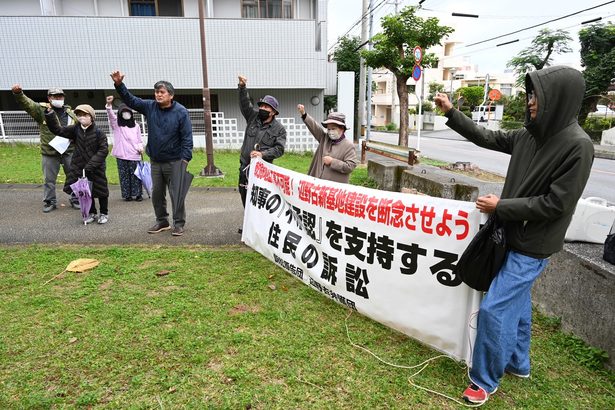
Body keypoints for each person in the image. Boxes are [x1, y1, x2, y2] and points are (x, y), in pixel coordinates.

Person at [434, 65, 594, 405]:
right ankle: (519, 363)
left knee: (494, 309)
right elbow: (488, 137)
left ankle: (483, 379)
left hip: (533, 245)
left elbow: (557, 204)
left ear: (559, 100)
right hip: (509, 234)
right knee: (517, 303)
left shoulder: (578, 146)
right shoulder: (529, 135)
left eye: (538, 96)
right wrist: (452, 113)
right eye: (530, 95)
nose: (531, 102)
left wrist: (501, 206)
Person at [110, 70, 193, 237]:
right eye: (156, 92)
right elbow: (131, 100)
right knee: (156, 194)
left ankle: (178, 223)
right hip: (156, 160)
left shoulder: (181, 111)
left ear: (171, 95)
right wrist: (119, 85)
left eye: (162, 92)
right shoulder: (150, 107)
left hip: (176, 160)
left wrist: (185, 159)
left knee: (176, 194)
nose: (158, 95)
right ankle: (162, 220)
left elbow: (186, 137)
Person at [11, 84, 80, 212]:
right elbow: (28, 104)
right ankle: (50, 201)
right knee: (49, 180)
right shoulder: (41, 111)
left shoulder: (71, 114)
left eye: (60, 96)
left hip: (69, 151)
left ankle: (76, 198)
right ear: (49, 98)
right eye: (55, 96)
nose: (58, 98)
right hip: (49, 152)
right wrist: (18, 94)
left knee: (74, 176)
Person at [45, 104, 110, 225]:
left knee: (101, 192)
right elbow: (58, 130)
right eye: (79, 115)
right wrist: (50, 115)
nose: (82, 117)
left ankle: (104, 213)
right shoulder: (75, 129)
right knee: (86, 192)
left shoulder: (99, 133)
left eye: (85, 115)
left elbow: (103, 150)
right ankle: (91, 213)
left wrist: (91, 165)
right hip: (80, 167)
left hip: (97, 168)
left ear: (91, 117)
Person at [237, 75, 286, 208]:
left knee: (260, 199)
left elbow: (279, 149)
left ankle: (261, 227)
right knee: (245, 195)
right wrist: (242, 87)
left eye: (267, 107)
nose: (263, 109)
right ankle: (248, 227)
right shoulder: (252, 117)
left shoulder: (279, 129)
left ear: (274, 112)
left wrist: (262, 154)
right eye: (262, 106)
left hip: (263, 171)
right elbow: (245, 104)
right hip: (245, 166)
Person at [297, 105, 357, 183]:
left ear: (342, 129)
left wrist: (332, 162)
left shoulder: (348, 146)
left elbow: (350, 166)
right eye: (328, 129)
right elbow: (314, 126)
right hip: (315, 182)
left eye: (333, 129)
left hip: (333, 188)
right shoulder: (324, 138)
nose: (330, 131)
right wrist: (303, 113)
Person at [105, 95, 144, 202]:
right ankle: (127, 195)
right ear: (120, 114)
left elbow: (139, 140)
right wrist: (109, 105)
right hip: (121, 155)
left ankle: (138, 194)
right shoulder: (117, 125)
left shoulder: (136, 125)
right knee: (124, 176)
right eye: (123, 112)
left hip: (134, 154)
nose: (126, 114)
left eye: (128, 112)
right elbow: (111, 116)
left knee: (136, 175)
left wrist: (140, 148)